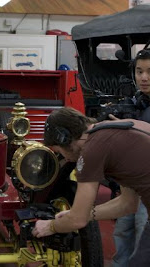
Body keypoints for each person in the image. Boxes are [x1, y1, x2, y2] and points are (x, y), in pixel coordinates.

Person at [32, 106, 150, 266]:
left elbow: (77, 221)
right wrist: (81, 213)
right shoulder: (121, 128)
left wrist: (51, 226)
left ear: (64, 139)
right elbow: (128, 204)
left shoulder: (91, 150)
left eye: (60, 151)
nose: (66, 159)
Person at [112, 48, 150, 267]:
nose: (144, 77)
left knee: (142, 240)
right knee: (122, 232)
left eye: (149, 72)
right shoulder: (135, 102)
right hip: (130, 183)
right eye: (139, 71)